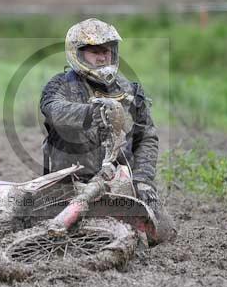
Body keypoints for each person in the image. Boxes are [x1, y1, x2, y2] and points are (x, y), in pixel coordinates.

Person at [40, 18, 177, 243]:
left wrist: (143, 180)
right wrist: (92, 113)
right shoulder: (59, 86)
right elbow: (53, 111)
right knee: (54, 231)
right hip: (69, 183)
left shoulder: (131, 91)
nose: (102, 56)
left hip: (117, 184)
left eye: (106, 50)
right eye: (94, 50)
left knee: (162, 232)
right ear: (77, 53)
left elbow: (147, 137)